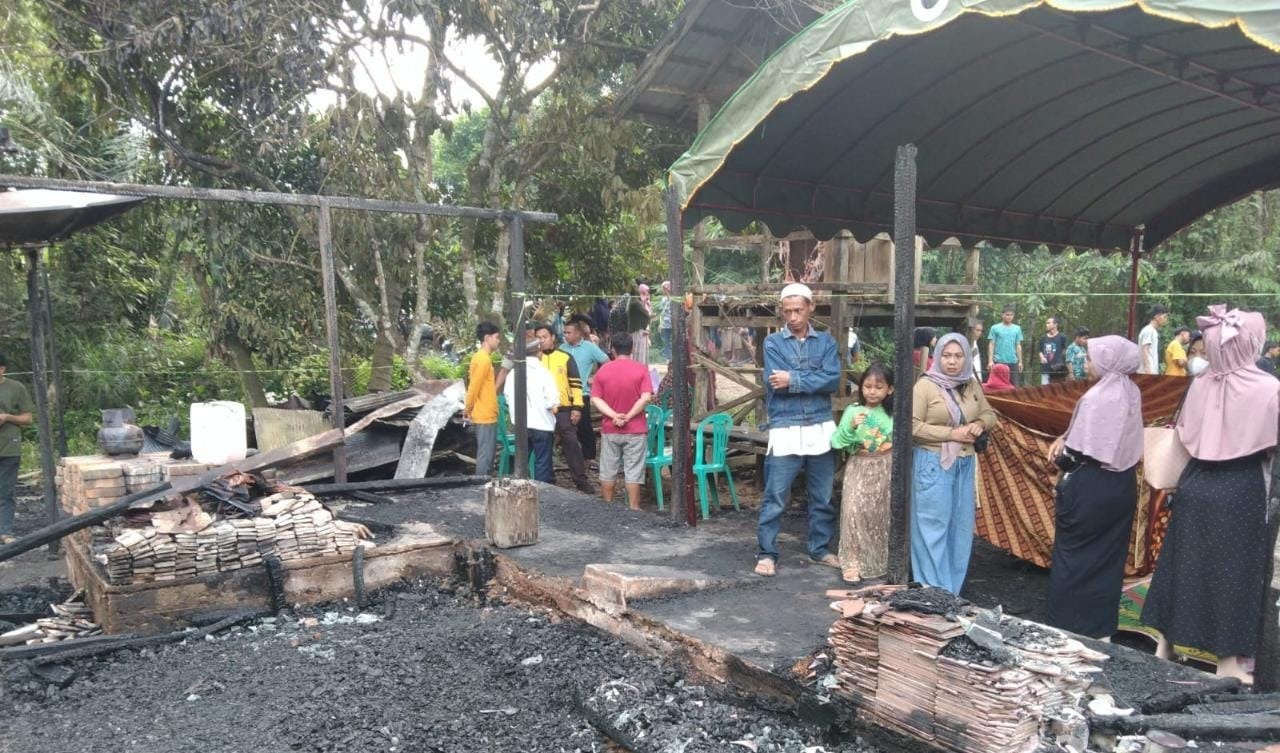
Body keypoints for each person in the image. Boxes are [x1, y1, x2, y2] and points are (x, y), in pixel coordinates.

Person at [1141, 306, 1279, 683]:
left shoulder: (1200, 383)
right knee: (1234, 575)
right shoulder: (1270, 389)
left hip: (1195, 483)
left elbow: (1185, 435)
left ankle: (1164, 646)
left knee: (1182, 565)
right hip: (1240, 487)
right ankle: (1228, 664)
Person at [1045, 336, 1143, 639]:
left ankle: (1066, 630)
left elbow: (1075, 454)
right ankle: (1101, 631)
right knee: (1107, 562)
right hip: (1121, 486)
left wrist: (1062, 454)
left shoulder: (1096, 398)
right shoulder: (1132, 391)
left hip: (1088, 488)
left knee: (1073, 559)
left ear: (1108, 361)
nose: (1085, 364)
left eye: (1090, 358)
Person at [755, 283, 841, 577]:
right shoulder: (773, 343)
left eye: (798, 310)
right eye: (788, 311)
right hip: (786, 427)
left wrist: (793, 379)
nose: (792, 317)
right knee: (775, 496)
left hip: (820, 428)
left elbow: (833, 380)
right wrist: (809, 379)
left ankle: (819, 549)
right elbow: (774, 381)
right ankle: (767, 553)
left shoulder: (827, 342)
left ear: (811, 308)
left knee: (823, 496)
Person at [911, 333, 997, 595]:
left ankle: (951, 593)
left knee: (959, 530)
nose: (952, 362)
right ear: (937, 357)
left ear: (967, 357)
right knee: (931, 528)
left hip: (965, 461)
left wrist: (979, 424)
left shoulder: (970, 384)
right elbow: (911, 426)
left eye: (958, 356)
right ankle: (932, 593)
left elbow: (989, 413)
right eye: (946, 356)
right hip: (933, 462)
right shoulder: (925, 386)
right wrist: (951, 434)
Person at [831, 363, 895, 584]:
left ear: (890, 389)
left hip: (885, 467)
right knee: (854, 512)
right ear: (861, 387)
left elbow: (899, 438)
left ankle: (879, 561)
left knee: (879, 514)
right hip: (859, 464)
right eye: (867, 386)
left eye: (879, 387)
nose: (872, 391)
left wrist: (882, 433)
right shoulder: (853, 411)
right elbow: (837, 441)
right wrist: (850, 426)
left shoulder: (893, 414)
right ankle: (852, 563)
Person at [589, 332, 652, 510]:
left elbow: (596, 399)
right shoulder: (641, 369)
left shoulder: (603, 370)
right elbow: (646, 398)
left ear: (612, 349)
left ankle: (608, 506)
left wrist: (614, 416)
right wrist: (629, 416)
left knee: (608, 467)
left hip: (611, 428)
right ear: (632, 349)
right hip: (636, 429)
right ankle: (634, 507)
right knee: (633, 470)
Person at [534, 324, 595, 495]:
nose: (541, 340)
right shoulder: (534, 360)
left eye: (544, 337)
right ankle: (548, 480)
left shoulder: (565, 357)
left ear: (553, 337)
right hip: (542, 410)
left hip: (563, 409)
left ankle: (580, 480)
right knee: (545, 445)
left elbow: (575, 384)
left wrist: (577, 407)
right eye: (538, 337)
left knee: (571, 443)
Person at [502, 340, 560, 484]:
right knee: (542, 462)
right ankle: (542, 493)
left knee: (521, 461)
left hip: (521, 425)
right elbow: (552, 401)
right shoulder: (544, 373)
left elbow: (508, 398)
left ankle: (518, 489)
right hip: (542, 425)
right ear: (539, 353)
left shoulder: (513, 374)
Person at [561, 317, 611, 466]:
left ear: (578, 334)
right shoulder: (562, 348)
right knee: (565, 427)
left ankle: (589, 457)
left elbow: (607, 362)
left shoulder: (589, 347)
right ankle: (569, 455)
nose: (566, 335)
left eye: (569, 332)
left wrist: (595, 378)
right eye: (565, 333)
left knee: (584, 426)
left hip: (582, 392)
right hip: (564, 394)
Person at [0, 352, 34, 545]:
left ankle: (5, 531)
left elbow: (27, 418)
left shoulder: (16, 388)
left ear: (2, 369)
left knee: (5, 492)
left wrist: (7, 417)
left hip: (8, 448)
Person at [464, 322, 502, 477]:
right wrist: (468, 408)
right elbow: (474, 386)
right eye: (497, 337)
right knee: (485, 456)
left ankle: (484, 485)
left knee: (488, 455)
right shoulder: (482, 359)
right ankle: (480, 487)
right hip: (484, 414)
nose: (499, 341)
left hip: (488, 413)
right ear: (487, 338)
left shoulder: (484, 358)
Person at [988, 306, 1024, 387]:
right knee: (997, 386)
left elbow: (1018, 345)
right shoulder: (995, 328)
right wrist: (990, 361)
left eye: (1011, 315)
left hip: (1013, 361)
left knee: (1014, 386)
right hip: (998, 361)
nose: (1009, 317)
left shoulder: (1017, 328)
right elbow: (991, 344)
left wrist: (1020, 362)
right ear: (1002, 315)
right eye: (1007, 315)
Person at [1137, 304, 1168, 375]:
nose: (1165, 320)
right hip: (1146, 373)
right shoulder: (1148, 330)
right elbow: (1145, 350)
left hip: (1151, 372)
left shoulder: (1153, 331)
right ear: (1156, 316)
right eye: (1164, 316)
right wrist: (1148, 371)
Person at [1037, 316, 1068, 385]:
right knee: (1045, 391)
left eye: (1048, 323)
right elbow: (1040, 351)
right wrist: (1042, 357)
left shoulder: (1062, 337)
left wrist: (1061, 362)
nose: (1046, 325)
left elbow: (1065, 351)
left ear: (1055, 324)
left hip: (1058, 370)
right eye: (1046, 323)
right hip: (1045, 369)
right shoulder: (1043, 338)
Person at [629, 284, 653, 365]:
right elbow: (647, 314)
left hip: (638, 330)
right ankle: (639, 369)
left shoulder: (633, 302)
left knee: (638, 352)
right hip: (638, 331)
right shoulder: (636, 303)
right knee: (640, 354)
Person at [659, 281, 673, 362]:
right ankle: (668, 359)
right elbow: (662, 313)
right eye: (664, 288)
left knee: (672, 342)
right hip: (665, 325)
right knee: (666, 342)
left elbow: (670, 299)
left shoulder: (674, 298)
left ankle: (673, 358)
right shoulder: (663, 299)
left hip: (673, 324)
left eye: (666, 287)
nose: (665, 289)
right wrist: (660, 324)